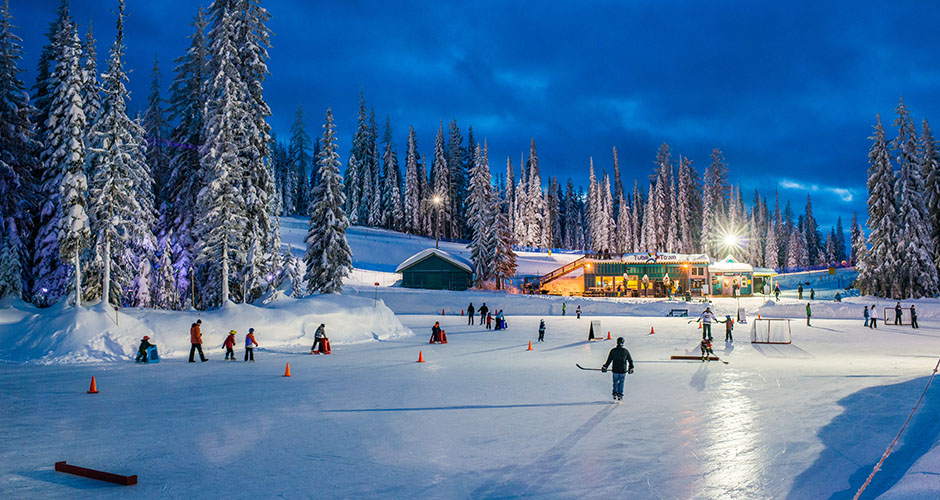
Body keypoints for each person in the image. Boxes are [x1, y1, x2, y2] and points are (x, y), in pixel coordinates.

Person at [601, 337, 634, 401]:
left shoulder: (613, 351)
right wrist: (631, 368)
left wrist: (605, 366)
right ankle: (620, 394)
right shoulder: (625, 351)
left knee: (615, 382)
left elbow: (609, 360)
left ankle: (615, 392)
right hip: (622, 370)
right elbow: (630, 360)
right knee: (621, 382)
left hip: (615, 370)